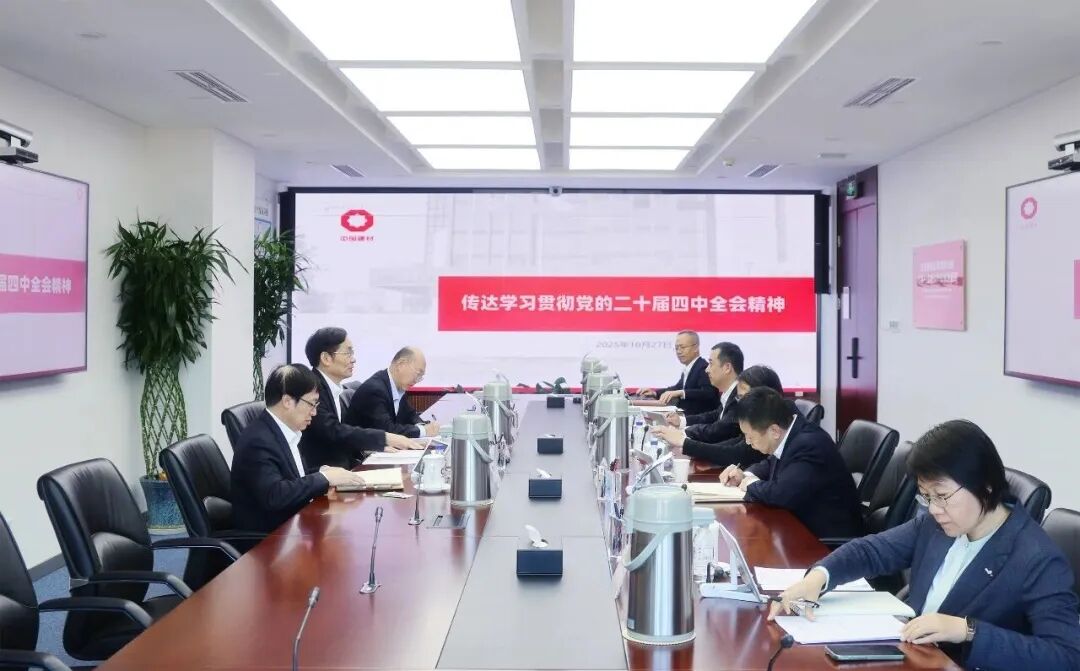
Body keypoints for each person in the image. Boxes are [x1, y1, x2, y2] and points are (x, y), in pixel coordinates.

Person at [770, 420, 1080, 670]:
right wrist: (818, 578)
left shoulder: (1036, 558)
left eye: (942, 496)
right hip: (911, 656)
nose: (933, 509)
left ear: (985, 486)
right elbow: (871, 551)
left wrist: (968, 631)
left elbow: (1066, 656)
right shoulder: (938, 524)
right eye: (926, 496)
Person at [232, 364, 367, 533]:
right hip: (270, 538)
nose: (314, 413)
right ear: (287, 401)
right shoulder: (258, 441)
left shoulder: (282, 431)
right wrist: (323, 478)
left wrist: (322, 472)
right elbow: (275, 495)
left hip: (293, 526)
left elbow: (291, 477)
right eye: (311, 404)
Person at [719, 387, 864, 538]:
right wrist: (745, 475)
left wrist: (749, 484)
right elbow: (770, 464)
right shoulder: (792, 434)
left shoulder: (809, 445)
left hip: (824, 540)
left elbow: (780, 495)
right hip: (800, 526)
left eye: (750, 436)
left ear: (774, 431)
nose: (748, 442)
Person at [298, 327, 424, 473]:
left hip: (344, 467)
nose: (353, 359)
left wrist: (371, 449)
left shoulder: (331, 389)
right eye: (348, 353)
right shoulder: (312, 390)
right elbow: (334, 431)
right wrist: (384, 438)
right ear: (326, 358)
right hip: (322, 474)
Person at [652, 364, 782, 468]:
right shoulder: (758, 420)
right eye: (739, 398)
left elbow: (735, 454)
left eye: (744, 398)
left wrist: (684, 442)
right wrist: (687, 443)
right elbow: (733, 445)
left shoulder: (772, 427)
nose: (740, 403)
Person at [344, 347, 441, 438]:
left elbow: (409, 415)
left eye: (421, 377)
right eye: (418, 374)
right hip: (361, 449)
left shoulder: (397, 385)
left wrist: (423, 425)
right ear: (401, 364)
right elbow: (387, 431)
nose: (417, 380)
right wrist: (423, 431)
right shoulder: (374, 390)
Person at [637, 330, 719, 415]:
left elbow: (708, 393)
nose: (679, 351)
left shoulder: (703, 367)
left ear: (695, 348)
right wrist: (654, 393)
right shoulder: (690, 368)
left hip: (700, 419)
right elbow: (676, 388)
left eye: (682, 347)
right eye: (676, 348)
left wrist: (681, 393)